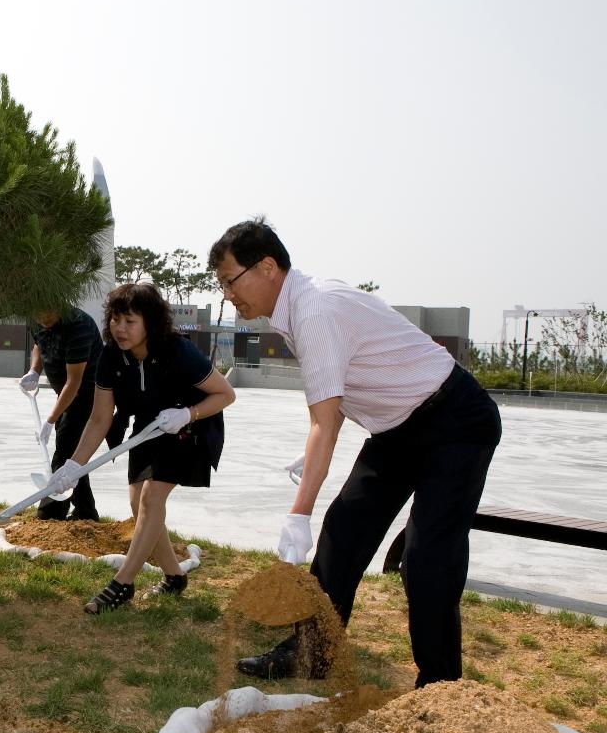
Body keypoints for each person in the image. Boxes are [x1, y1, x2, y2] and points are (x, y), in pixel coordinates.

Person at [208, 218, 501, 687]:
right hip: (398, 431)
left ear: (266, 267)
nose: (227, 294)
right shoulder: (298, 308)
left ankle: (440, 685)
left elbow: (326, 422)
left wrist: (298, 513)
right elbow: (331, 407)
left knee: (427, 555)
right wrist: (312, 459)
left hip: (455, 422)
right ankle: (311, 652)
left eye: (229, 280)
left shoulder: (314, 311)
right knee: (344, 531)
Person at [45, 283, 235, 613]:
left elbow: (225, 394)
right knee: (138, 504)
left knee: (151, 498)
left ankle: (122, 584)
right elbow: (99, 418)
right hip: (146, 430)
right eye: (115, 319)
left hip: (188, 428)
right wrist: (74, 465)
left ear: (150, 321)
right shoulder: (110, 356)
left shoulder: (178, 351)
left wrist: (187, 413)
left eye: (130, 321)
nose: (120, 328)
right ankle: (175, 576)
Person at [20, 306, 105, 521]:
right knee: (73, 456)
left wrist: (50, 421)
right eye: (38, 315)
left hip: (89, 395)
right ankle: (86, 513)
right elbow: (39, 344)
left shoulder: (78, 326)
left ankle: (49, 515)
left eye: (48, 313)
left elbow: (74, 382)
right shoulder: (36, 318)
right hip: (65, 395)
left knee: (64, 454)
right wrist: (34, 371)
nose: (43, 318)